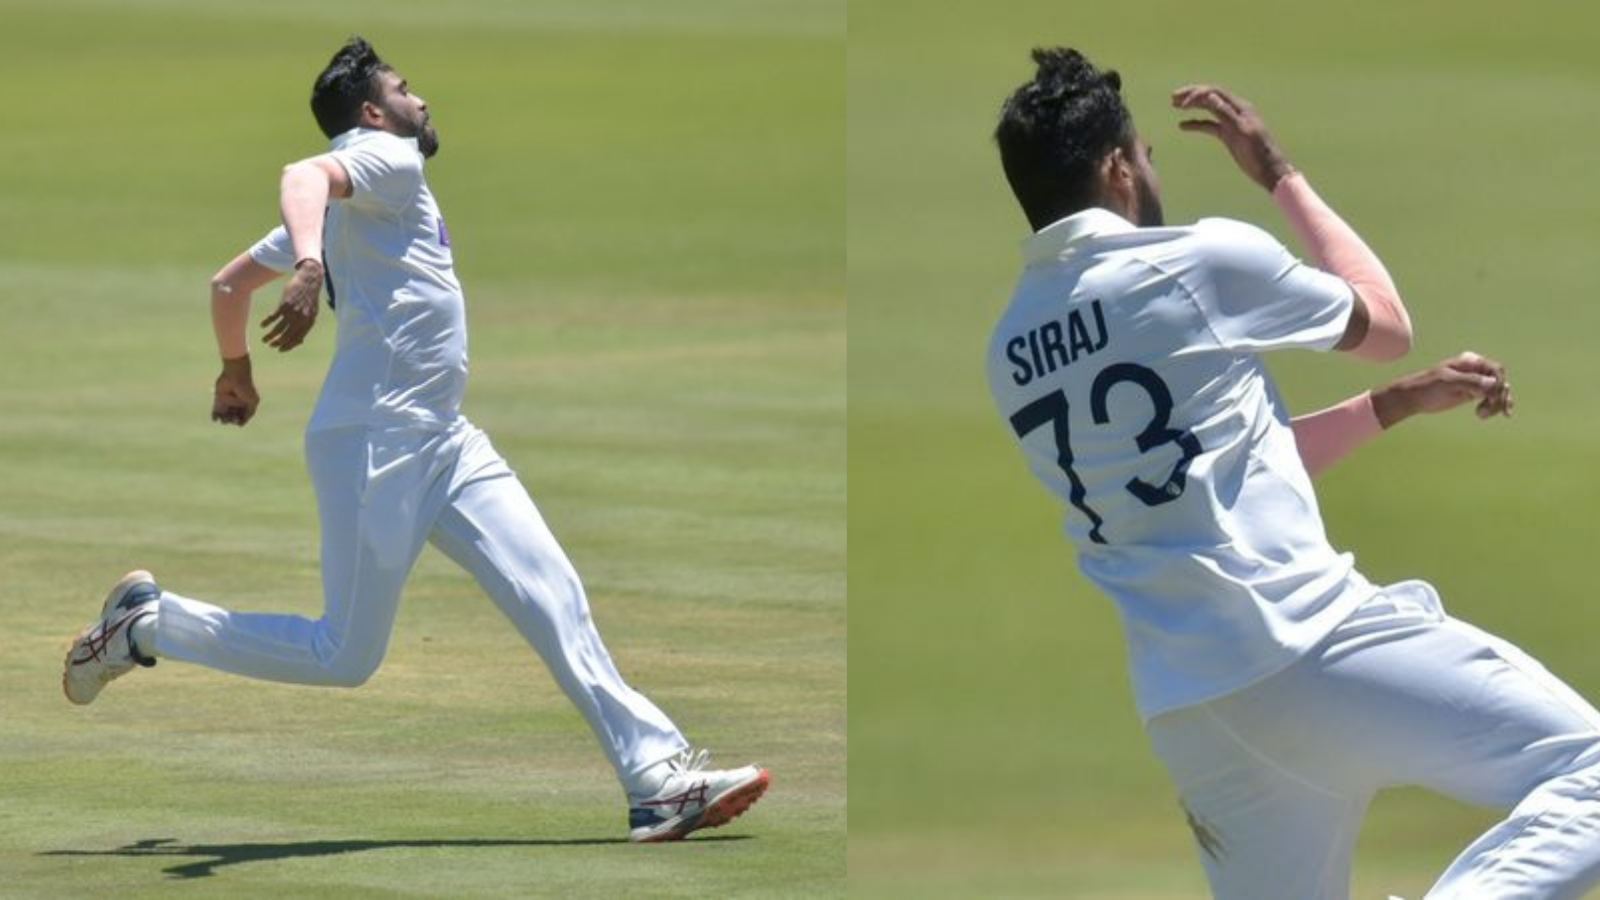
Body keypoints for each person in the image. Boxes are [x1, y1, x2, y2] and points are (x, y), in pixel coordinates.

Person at [63, 36, 768, 844]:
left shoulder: (362, 198)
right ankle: (148, 626)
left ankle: (656, 781)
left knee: (554, 595)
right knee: (345, 655)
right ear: (372, 112)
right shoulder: (387, 161)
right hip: (378, 444)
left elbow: (226, 286)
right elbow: (301, 176)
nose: (420, 100)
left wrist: (237, 369)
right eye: (405, 88)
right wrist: (304, 266)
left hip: (445, 439)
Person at [987, 47, 1600, 898]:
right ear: (1117, 166)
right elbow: (1385, 321)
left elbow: (1216, 472)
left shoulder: (1012, 347)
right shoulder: (1191, 262)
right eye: (1149, 154)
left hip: (1193, 711)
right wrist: (1279, 173)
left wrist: (1391, 406)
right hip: (1312, 645)